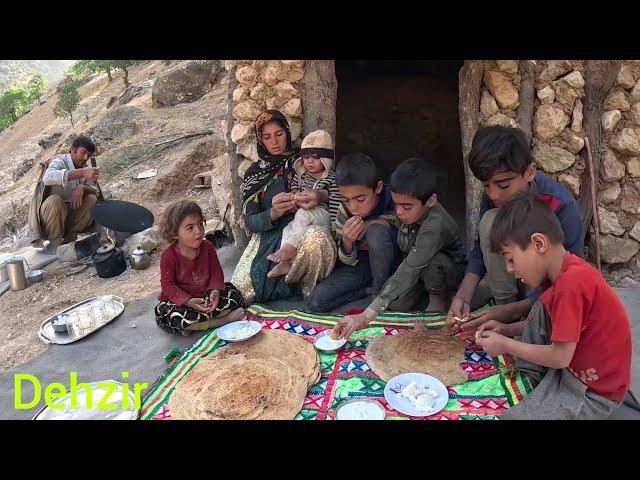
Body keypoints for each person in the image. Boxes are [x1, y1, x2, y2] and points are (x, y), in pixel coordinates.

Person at [475, 192, 631, 419]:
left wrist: (506, 345)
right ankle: (536, 373)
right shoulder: (562, 275)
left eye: (510, 259)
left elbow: (560, 357)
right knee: (539, 305)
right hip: (570, 370)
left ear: (538, 243)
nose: (510, 269)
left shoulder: (571, 284)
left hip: (592, 392)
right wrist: (505, 329)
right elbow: (557, 325)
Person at [446, 126, 584, 333]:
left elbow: (570, 279)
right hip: (514, 290)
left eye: (502, 185)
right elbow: (480, 246)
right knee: (490, 222)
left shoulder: (561, 206)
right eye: (486, 185)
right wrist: (463, 295)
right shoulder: (495, 197)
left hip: (549, 292)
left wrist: (513, 311)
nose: (492, 194)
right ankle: (505, 303)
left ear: (529, 172)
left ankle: (523, 314)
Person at [332, 157, 466, 338]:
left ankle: (437, 296)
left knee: (433, 263)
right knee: (396, 305)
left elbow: (410, 267)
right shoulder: (406, 210)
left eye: (407, 207)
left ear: (431, 201)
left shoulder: (435, 225)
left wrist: (366, 316)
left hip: (445, 269)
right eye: (396, 205)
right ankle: (420, 290)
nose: (399, 212)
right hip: (414, 262)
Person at [230, 110, 337, 304]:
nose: (275, 142)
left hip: (309, 226)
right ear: (260, 140)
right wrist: (273, 213)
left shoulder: (305, 159)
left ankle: (307, 286)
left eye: (279, 134)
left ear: (287, 132)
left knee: (315, 239)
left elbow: (338, 189)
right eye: (267, 137)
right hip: (270, 236)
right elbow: (250, 221)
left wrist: (319, 196)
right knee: (243, 292)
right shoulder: (255, 174)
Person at [307, 153, 400, 312]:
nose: (353, 207)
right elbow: (346, 260)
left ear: (377, 188)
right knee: (316, 301)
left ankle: (378, 297)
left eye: (360, 199)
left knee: (375, 232)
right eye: (346, 200)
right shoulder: (344, 210)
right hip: (365, 265)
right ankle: (368, 291)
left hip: (397, 264)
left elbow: (412, 237)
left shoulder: (394, 199)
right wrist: (347, 242)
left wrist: (377, 223)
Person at [155, 200, 244, 335]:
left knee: (234, 294)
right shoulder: (168, 256)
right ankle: (219, 321)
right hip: (183, 303)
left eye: (200, 224)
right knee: (165, 314)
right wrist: (188, 301)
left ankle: (195, 325)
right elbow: (168, 286)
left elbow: (216, 273)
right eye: (190, 228)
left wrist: (215, 292)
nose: (198, 231)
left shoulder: (207, 247)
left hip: (205, 297)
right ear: (174, 233)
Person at [266, 129, 340, 278]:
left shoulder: (332, 178)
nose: (310, 162)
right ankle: (288, 261)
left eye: (315, 157)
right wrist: (293, 198)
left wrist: (335, 228)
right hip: (303, 216)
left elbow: (336, 201)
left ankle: (289, 249)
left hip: (323, 215)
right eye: (306, 157)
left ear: (326, 160)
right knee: (288, 228)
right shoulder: (301, 176)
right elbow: (294, 190)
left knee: (302, 214)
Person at [28, 135, 101, 252]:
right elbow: (48, 177)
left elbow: (96, 191)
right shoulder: (60, 161)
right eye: (83, 152)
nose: (86, 157)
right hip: (51, 218)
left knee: (92, 199)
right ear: (73, 150)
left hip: (70, 217)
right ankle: (54, 246)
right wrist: (81, 173)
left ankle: (69, 241)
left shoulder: (84, 168)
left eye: (89, 155)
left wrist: (83, 187)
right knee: (55, 201)